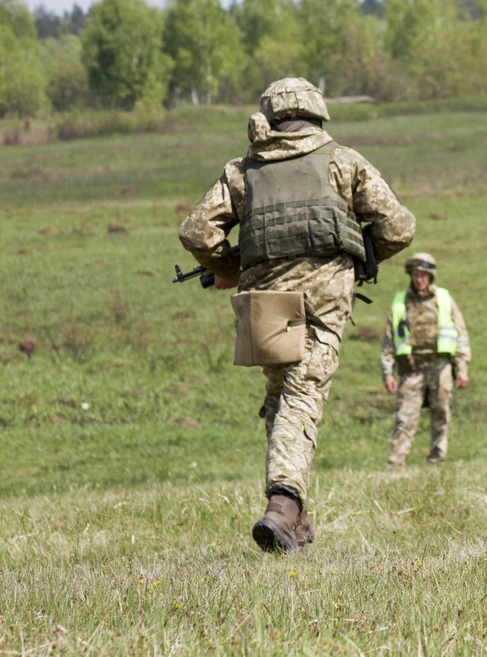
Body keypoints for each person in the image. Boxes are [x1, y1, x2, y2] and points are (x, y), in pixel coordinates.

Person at [178, 78, 415, 554]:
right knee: (301, 396)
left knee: (282, 394)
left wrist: (228, 268)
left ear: (271, 118)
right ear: (317, 115)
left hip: (265, 303)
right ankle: (283, 504)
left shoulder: (243, 171)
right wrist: (362, 257)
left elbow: (197, 232)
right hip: (324, 303)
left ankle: (295, 524)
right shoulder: (343, 161)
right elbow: (400, 227)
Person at [380, 253, 471, 467]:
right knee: (405, 417)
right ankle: (395, 464)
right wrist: (387, 372)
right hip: (411, 369)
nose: (419, 279)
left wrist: (462, 368)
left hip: (440, 367)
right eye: (415, 275)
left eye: (423, 275)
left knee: (442, 414)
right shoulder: (400, 302)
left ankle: (437, 460)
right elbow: (388, 340)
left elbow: (460, 333)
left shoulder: (444, 300)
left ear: (430, 277)